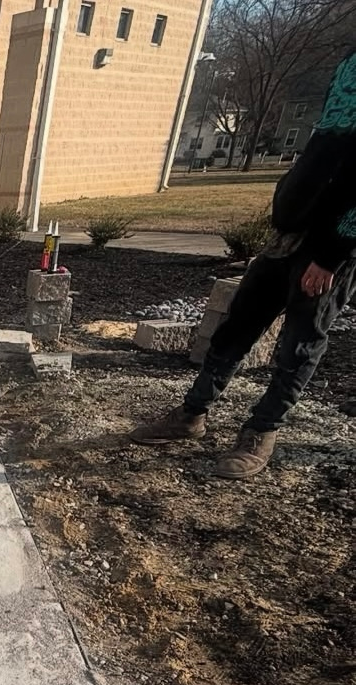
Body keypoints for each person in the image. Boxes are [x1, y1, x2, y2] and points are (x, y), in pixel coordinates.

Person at [130, 49, 356, 478]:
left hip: (332, 248)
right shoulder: (348, 61)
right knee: (236, 326)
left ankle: (260, 431)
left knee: (299, 345)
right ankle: (193, 413)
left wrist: (331, 256)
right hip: (289, 233)